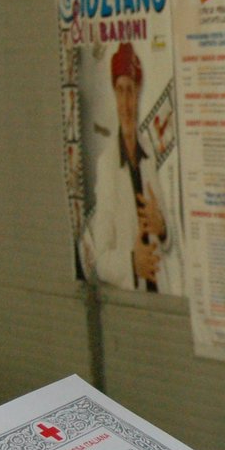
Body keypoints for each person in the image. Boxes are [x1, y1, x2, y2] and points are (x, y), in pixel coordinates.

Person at [81, 41, 183, 293]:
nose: (126, 103)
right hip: (132, 297)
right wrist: (131, 262)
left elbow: (167, 235)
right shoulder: (107, 165)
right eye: (120, 90)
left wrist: (162, 228)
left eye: (131, 90)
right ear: (114, 94)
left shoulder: (148, 152)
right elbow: (100, 258)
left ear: (138, 93)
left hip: (162, 290)